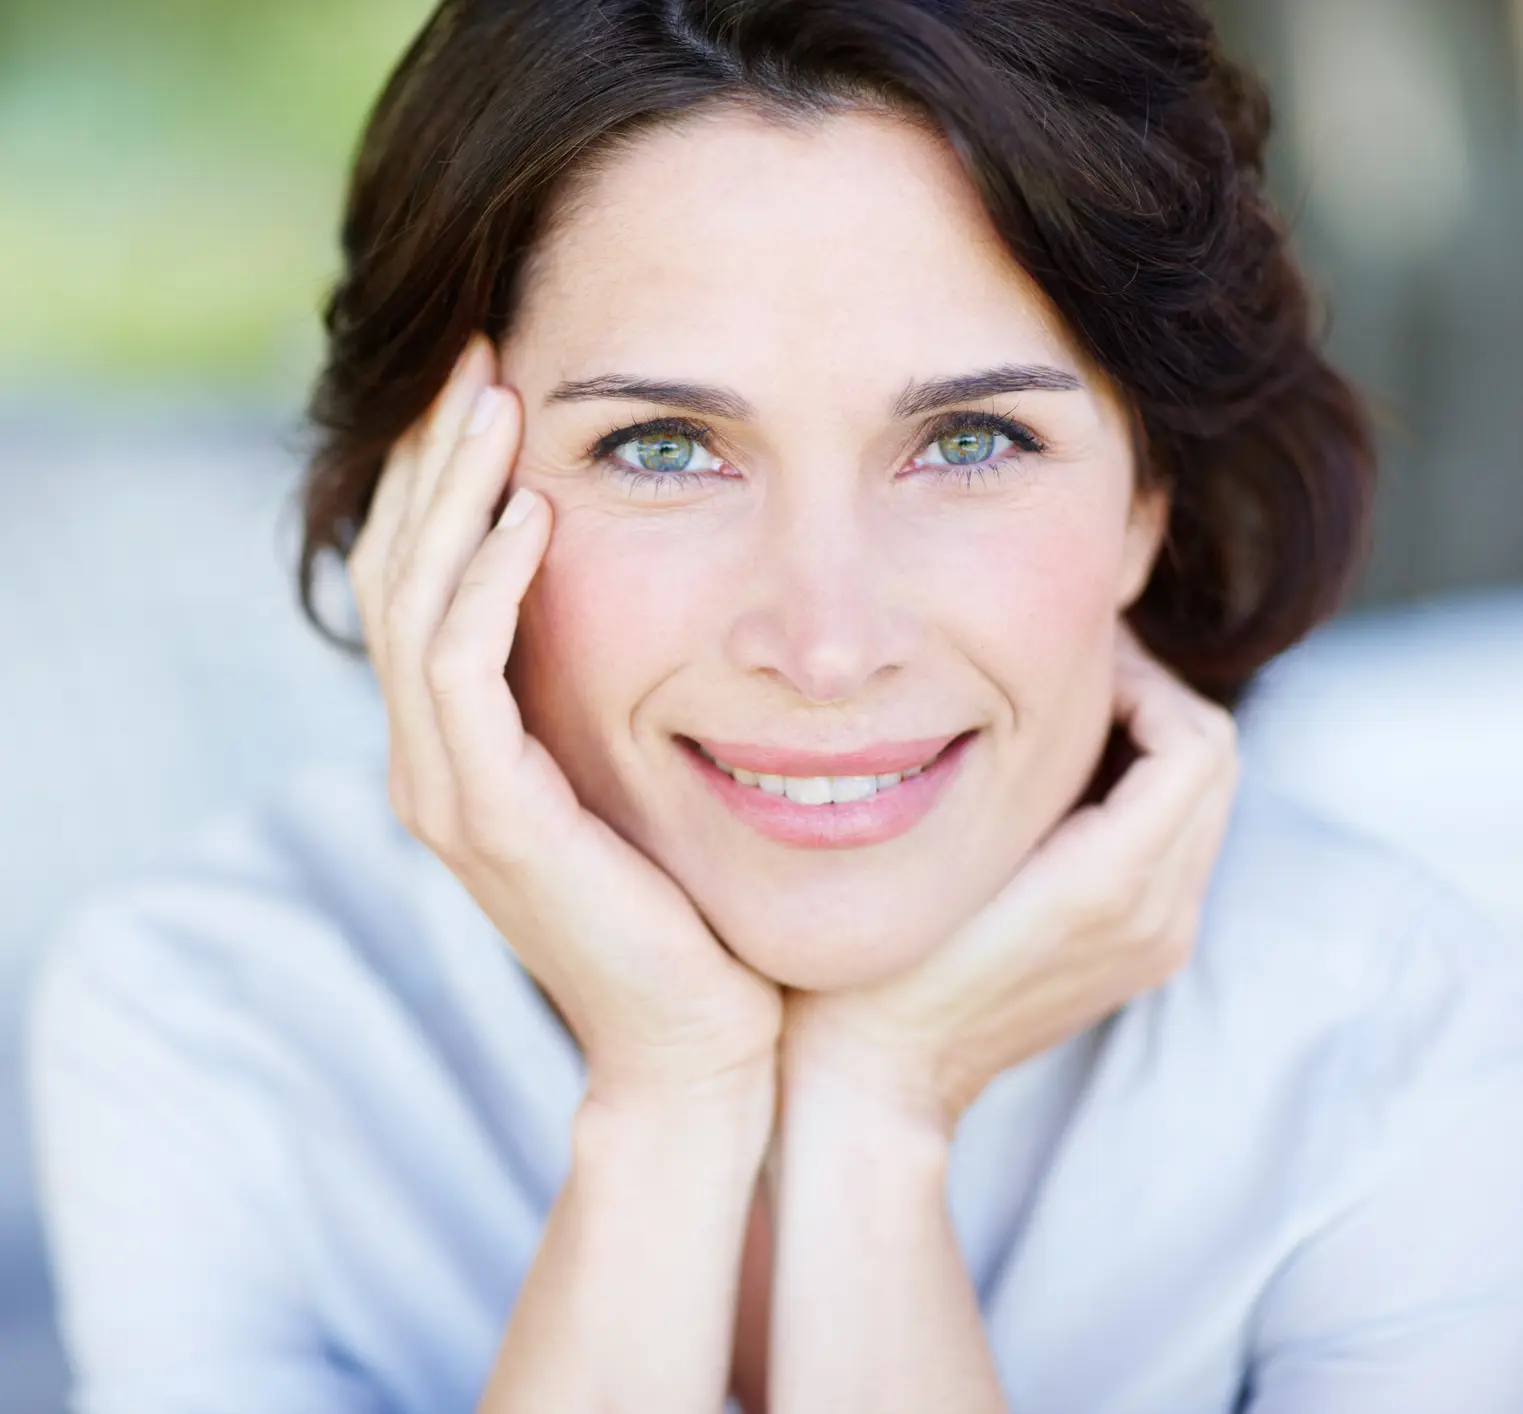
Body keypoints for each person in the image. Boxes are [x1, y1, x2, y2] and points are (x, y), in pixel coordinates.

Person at [27, 1, 1523, 1411]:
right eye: (666, 446)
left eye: (972, 439)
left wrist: (876, 1121)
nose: (824, 642)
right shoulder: (213, 1018)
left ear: (1148, 496)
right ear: (438, 495)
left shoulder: (1392, 1041)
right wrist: (667, 1097)